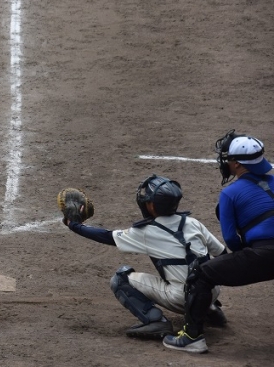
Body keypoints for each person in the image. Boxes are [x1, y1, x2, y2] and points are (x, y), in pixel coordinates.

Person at [63, 175, 227, 340]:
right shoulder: (193, 223)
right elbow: (222, 255)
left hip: (182, 299)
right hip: (211, 291)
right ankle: (209, 309)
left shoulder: (146, 232)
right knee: (193, 265)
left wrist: (74, 225)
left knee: (120, 279)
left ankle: (156, 321)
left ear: (152, 206)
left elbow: (106, 236)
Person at [164, 130, 274, 353]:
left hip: (265, 254)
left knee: (200, 275)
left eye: (228, 159)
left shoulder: (230, 194)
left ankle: (192, 337)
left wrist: (249, 256)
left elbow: (231, 240)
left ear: (237, 164)